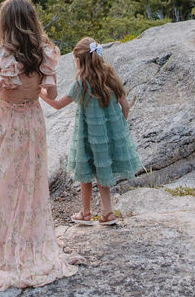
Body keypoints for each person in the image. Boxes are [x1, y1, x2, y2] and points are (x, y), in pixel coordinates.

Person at [0, 0, 80, 296]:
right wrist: (32, 92)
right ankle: (28, 240)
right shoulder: (46, 52)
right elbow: (51, 91)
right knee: (29, 184)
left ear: (4, 21)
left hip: (7, 121)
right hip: (33, 122)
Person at [40, 37, 141, 226]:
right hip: (107, 136)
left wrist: (39, 93)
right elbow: (125, 105)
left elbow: (57, 104)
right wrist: (118, 128)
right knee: (103, 170)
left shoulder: (81, 83)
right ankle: (107, 212)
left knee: (84, 171)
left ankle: (85, 212)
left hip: (87, 136)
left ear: (78, 60)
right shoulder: (109, 75)